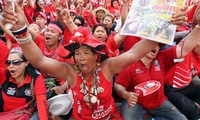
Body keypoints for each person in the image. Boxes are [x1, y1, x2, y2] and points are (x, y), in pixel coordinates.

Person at [2, 1, 162, 119]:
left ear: (97, 55)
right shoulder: (70, 71)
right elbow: (40, 61)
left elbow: (134, 53)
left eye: (86, 52)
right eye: (77, 53)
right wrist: (21, 31)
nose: (80, 58)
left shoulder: (108, 66)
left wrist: (162, 26)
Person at [113, 10, 200, 120]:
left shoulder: (162, 58)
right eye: (150, 44)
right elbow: (118, 85)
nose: (154, 47)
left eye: (157, 45)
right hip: (135, 103)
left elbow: (182, 49)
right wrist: (126, 95)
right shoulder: (131, 63)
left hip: (159, 102)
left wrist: (198, 27)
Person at [0, 47, 48, 120]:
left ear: (26, 63)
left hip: (26, 116)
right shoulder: (4, 75)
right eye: (8, 63)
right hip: (5, 115)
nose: (11, 66)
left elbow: (42, 105)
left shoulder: (35, 78)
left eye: (16, 62)